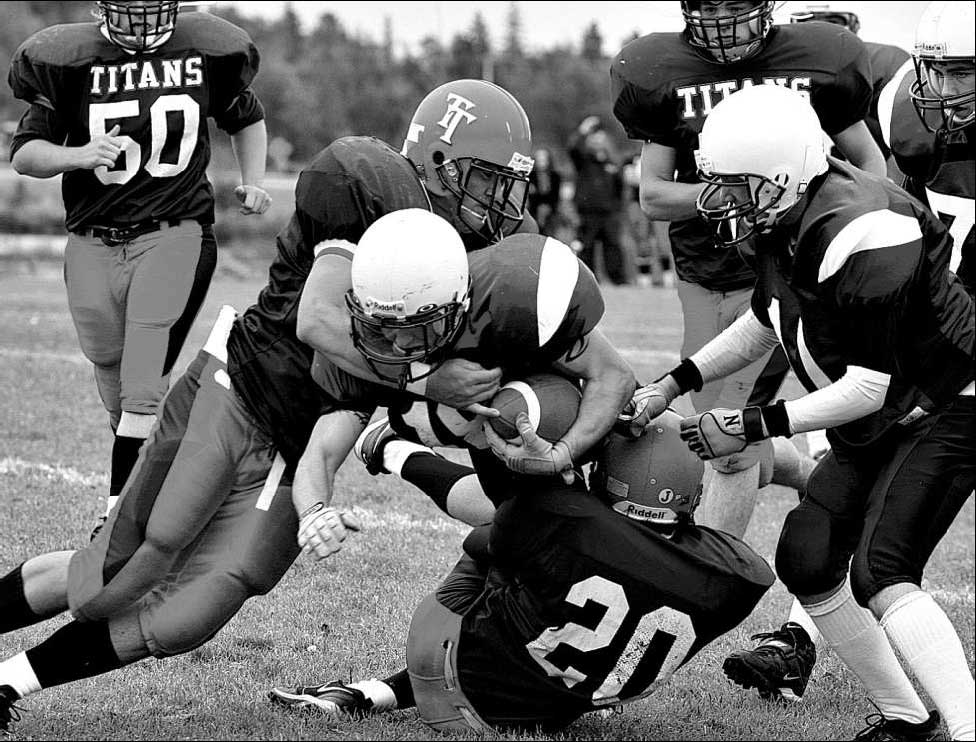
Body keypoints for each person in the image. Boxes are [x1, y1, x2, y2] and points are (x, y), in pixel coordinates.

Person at [0, 79, 548, 734]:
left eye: (510, 184)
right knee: (114, 574)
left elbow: (383, 396)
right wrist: (432, 381)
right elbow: (320, 322)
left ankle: (5, 685)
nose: (504, 201)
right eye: (489, 179)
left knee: (188, 616)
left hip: (306, 438)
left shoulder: (482, 254)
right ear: (438, 161)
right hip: (240, 389)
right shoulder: (371, 183)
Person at [622, 84, 975, 741]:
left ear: (780, 176)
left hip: (951, 400)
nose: (719, 200)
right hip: (892, 409)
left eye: (734, 185)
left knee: (882, 569)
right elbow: (767, 319)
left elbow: (869, 387)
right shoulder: (784, 217)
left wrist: (754, 424)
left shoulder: (862, 229)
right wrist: (674, 383)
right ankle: (906, 720)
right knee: (810, 558)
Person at [610, 0, 888, 700]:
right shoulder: (664, 74)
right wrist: (732, 189)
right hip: (709, 275)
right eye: (712, 9)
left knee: (731, 440)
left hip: (796, 266)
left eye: (740, 8)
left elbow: (872, 170)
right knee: (730, 438)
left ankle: (702, 593)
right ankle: (807, 474)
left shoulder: (815, 64)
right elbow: (651, 194)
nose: (726, 25)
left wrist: (823, 218)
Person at [268, 410, 775, 734]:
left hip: (447, 667)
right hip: (557, 707)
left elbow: (485, 536)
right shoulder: (740, 576)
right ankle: (370, 693)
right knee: (534, 570)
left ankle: (391, 450)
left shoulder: (565, 520)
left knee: (502, 536)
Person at [7, 1, 272, 537]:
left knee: (142, 383)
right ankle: (156, 472)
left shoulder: (203, 50)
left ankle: (116, 522)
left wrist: (256, 178)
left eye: (155, 9)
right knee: (110, 372)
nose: (146, 22)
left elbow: (247, 116)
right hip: (92, 240)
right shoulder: (70, 60)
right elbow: (25, 153)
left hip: (175, 231)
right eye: (132, 10)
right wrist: (80, 155)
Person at [879, 0, 974, 297]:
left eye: (960, 74)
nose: (946, 92)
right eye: (936, 72)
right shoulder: (916, 129)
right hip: (947, 307)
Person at [789, 5, 911, 172]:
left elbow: (906, 150)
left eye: (832, 23)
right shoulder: (785, 69)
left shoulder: (885, 64)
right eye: (809, 25)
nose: (821, 34)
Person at [567, 115, 631, 285]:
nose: (597, 142)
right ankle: (589, 280)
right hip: (587, 212)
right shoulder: (583, 161)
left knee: (613, 247)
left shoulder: (612, 164)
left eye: (600, 139)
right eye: (593, 139)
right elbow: (573, 148)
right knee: (586, 247)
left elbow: (620, 188)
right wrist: (583, 130)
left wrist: (617, 208)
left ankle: (618, 281)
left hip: (609, 213)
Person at [527, 146, 563, 236]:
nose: (541, 162)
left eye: (543, 159)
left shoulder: (555, 176)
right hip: (534, 211)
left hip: (550, 211)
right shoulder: (531, 176)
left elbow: (555, 196)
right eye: (539, 160)